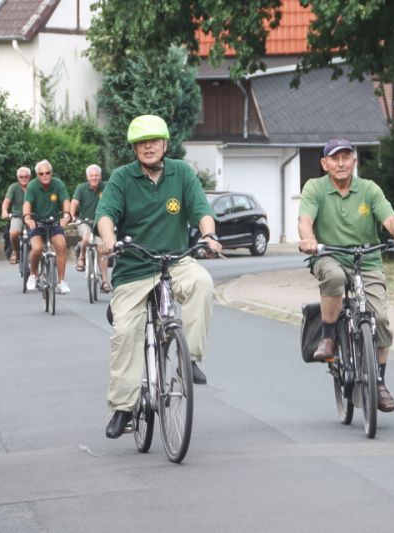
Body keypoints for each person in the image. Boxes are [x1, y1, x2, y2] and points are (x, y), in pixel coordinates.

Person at [97, 115, 222, 439]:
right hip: (135, 266)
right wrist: (109, 237)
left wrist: (208, 236)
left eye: (154, 141)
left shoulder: (181, 172)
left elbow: (201, 211)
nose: (148, 146)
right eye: (142, 142)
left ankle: (190, 358)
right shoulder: (122, 178)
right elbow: (106, 215)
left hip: (175, 260)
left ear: (166, 145)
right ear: (135, 148)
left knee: (202, 282)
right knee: (125, 332)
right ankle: (124, 407)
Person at [297, 138, 394, 413]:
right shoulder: (315, 188)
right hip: (329, 255)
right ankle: (328, 337)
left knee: (381, 320)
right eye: (335, 158)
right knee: (335, 278)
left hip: (367, 258)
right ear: (324, 163)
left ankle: (380, 382)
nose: (341, 163)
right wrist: (308, 239)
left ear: (354, 161)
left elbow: (389, 217)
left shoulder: (368, 189)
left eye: (346, 157)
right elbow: (305, 220)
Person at [22, 160, 73, 295]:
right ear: (37, 175)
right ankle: (33, 275)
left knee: (61, 246)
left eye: (47, 172)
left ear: (51, 173)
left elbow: (66, 201)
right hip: (36, 223)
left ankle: (61, 282)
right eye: (41, 173)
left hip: (54, 222)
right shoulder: (32, 186)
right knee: (37, 249)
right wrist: (28, 218)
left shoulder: (58, 184)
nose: (45, 175)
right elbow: (27, 204)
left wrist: (66, 216)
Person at [69, 163, 111, 292]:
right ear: (87, 177)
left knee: (102, 249)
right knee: (86, 237)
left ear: (100, 176)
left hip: (101, 222)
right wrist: (72, 216)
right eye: (91, 176)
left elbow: (114, 200)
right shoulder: (81, 188)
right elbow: (74, 202)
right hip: (85, 221)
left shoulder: (106, 187)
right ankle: (81, 257)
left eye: (96, 175)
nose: (94, 178)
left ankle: (105, 281)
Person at [1, 166, 32, 265]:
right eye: (21, 177)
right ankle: (15, 251)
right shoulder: (13, 187)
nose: (23, 179)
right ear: (17, 177)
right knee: (13, 233)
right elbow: (7, 201)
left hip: (32, 216)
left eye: (26, 177)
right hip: (17, 216)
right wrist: (4, 211)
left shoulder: (34, 186)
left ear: (30, 177)